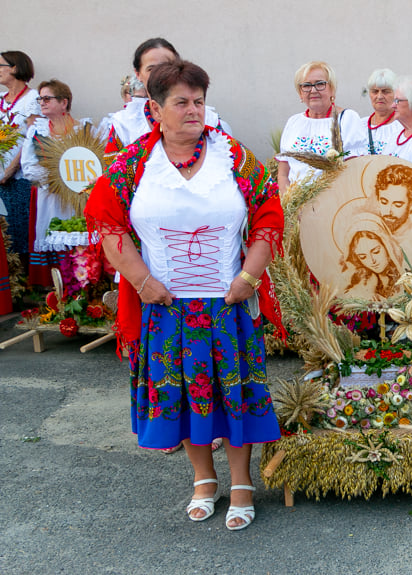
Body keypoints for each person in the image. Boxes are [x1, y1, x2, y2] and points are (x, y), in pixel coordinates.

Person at [85, 60, 286, 531]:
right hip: (168, 308)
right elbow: (108, 223)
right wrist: (141, 281)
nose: (193, 110)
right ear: (155, 108)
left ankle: (241, 482)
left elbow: (269, 217)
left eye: (199, 100)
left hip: (229, 305)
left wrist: (249, 277)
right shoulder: (131, 165)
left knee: (232, 395)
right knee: (186, 396)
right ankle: (203, 479)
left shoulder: (234, 157)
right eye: (182, 102)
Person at [104, 38, 230, 157]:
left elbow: (229, 162)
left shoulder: (208, 119)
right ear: (138, 74)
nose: (160, 75)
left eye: (166, 67)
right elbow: (113, 174)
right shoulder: (125, 124)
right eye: (151, 69)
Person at [20, 80, 91, 286]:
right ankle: (53, 289)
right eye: (40, 98)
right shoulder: (37, 131)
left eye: (47, 98)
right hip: (49, 196)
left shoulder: (84, 129)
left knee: (77, 237)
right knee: (52, 233)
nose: (42, 102)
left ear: (64, 102)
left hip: (78, 198)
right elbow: (28, 166)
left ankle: (81, 285)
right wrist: (55, 178)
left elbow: (95, 162)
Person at [277, 61, 367, 192]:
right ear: (300, 93)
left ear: (332, 89)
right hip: (297, 208)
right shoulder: (293, 122)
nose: (313, 90)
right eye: (306, 86)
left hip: (335, 204)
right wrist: (289, 205)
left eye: (320, 84)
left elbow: (355, 170)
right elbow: (283, 173)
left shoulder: (347, 119)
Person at [0, 50, 40, 266]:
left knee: (20, 229)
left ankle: (24, 285)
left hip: (19, 177)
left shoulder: (32, 99)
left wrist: (9, 171)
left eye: (1, 65)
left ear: (14, 68)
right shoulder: (0, 100)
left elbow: (32, 138)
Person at [339, 212, 401, 301]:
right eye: (363, 257)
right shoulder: (364, 281)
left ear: (387, 246)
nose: (372, 261)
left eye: (376, 252)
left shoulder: (404, 276)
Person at [361, 69, 401, 155]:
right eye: (375, 91)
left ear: (396, 94)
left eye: (385, 92)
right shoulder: (360, 126)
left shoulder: (402, 127)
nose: (379, 96)